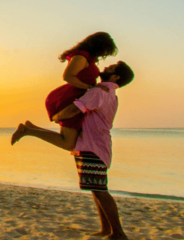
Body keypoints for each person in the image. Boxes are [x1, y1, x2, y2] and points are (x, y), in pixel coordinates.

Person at [55, 61, 135, 239]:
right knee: (95, 188)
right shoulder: (109, 93)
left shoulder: (99, 92)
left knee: (100, 189)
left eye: (111, 68)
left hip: (93, 146)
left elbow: (74, 109)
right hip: (96, 144)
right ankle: (106, 229)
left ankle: (118, 233)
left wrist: (57, 116)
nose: (105, 67)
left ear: (115, 77)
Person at [10, 32, 117, 149]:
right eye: (104, 51)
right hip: (70, 98)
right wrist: (90, 88)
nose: (103, 55)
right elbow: (68, 76)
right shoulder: (81, 57)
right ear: (98, 46)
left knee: (69, 140)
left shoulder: (87, 58)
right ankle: (27, 130)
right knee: (68, 143)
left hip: (77, 97)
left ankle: (30, 128)